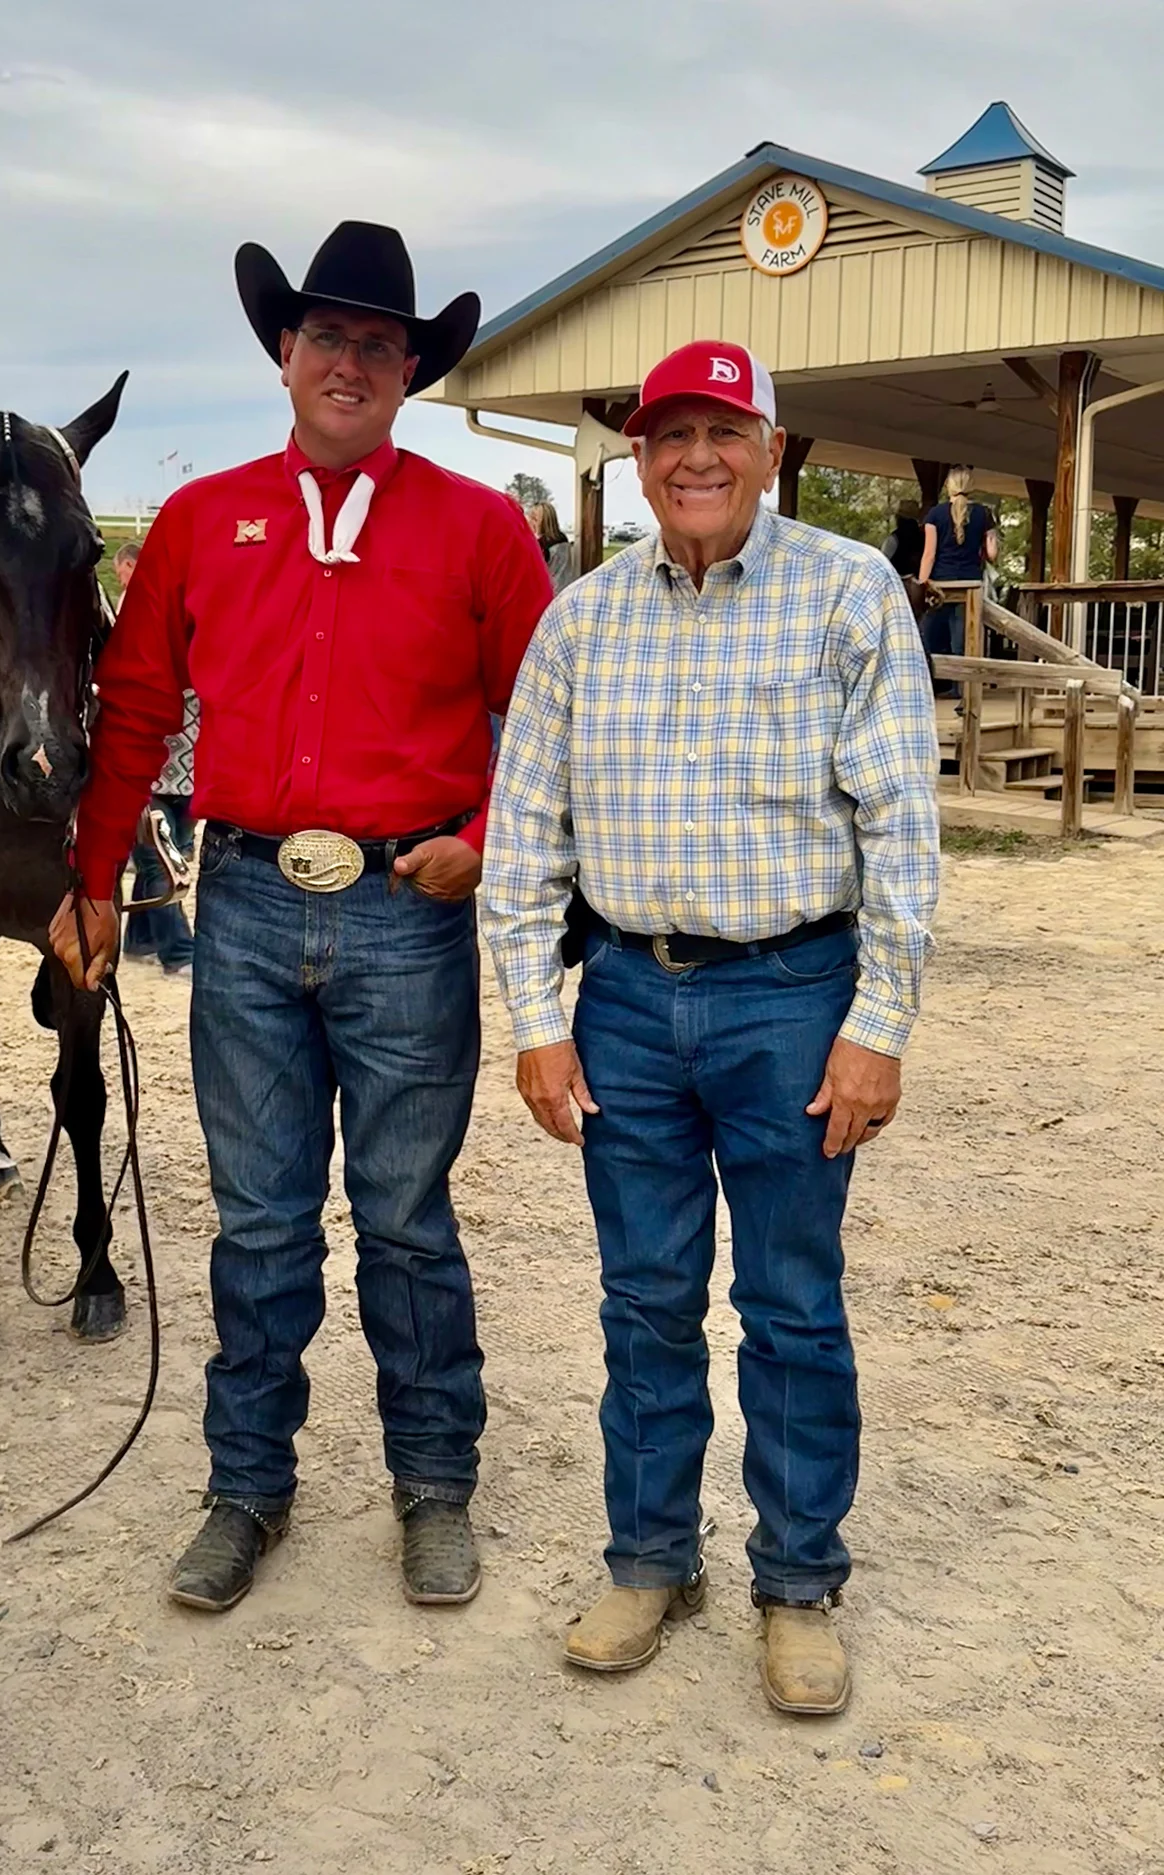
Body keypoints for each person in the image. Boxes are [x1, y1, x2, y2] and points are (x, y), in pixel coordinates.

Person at [51, 220, 552, 1613]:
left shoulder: (482, 527)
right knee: (260, 1222)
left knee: (405, 1217)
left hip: (408, 905)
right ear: (283, 353)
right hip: (252, 902)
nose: (349, 362)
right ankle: (247, 1486)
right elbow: (140, 711)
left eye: (378, 345)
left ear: (411, 371)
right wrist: (94, 882)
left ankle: (434, 1483)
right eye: (326, 337)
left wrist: (485, 836)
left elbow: (550, 717)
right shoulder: (203, 521)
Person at [482, 340, 939, 1715]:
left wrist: (879, 1020)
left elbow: (903, 830)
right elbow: (525, 837)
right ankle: (649, 1558)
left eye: (723, 431)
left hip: (790, 997)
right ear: (637, 457)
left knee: (792, 1304)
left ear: (773, 448)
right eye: (670, 432)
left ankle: (798, 1582)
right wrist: (537, 1018)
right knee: (643, 1299)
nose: (695, 457)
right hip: (623, 998)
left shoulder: (849, 593)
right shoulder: (581, 620)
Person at [114, 540, 198, 976]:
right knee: (164, 860)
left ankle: (140, 939)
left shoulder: (203, 620)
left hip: (191, 767)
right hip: (150, 769)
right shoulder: (134, 621)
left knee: (171, 856)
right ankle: (180, 953)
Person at [918, 468, 998, 697]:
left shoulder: (935, 514)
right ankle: (962, 690)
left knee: (929, 636)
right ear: (971, 486)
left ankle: (927, 686)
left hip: (940, 585)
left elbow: (929, 554)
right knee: (962, 639)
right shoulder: (984, 514)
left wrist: (923, 583)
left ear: (948, 487)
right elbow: (991, 554)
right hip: (970, 585)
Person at [528, 500, 575, 595]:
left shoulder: (541, 545)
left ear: (537, 521)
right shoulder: (563, 538)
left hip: (550, 595)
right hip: (567, 590)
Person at [880, 498, 924, 579]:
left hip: (897, 582)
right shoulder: (924, 537)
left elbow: (882, 563)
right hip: (919, 582)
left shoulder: (894, 538)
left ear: (898, 518)